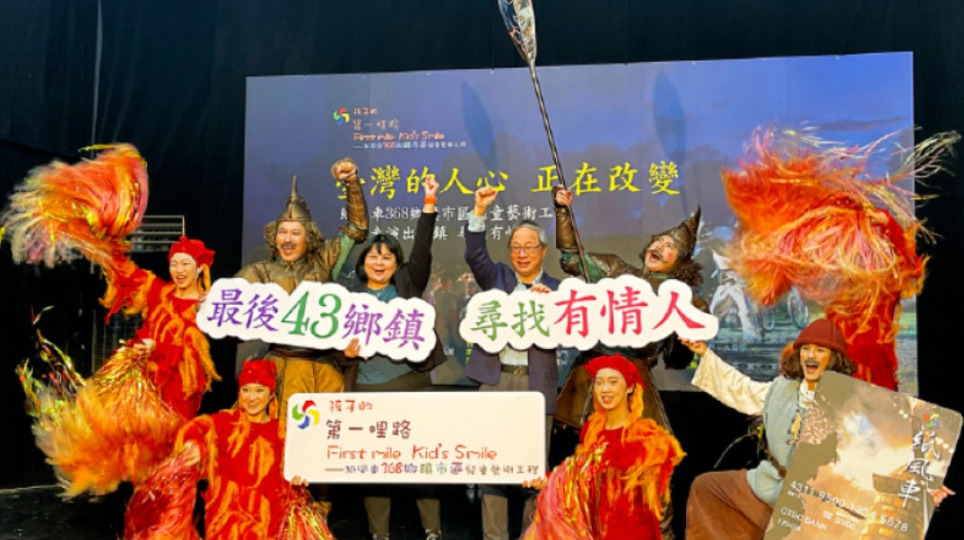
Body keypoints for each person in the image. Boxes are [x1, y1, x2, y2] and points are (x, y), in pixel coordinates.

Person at [679, 317, 954, 539]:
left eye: (820, 350)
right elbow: (741, 390)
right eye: (806, 349)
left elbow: (879, 450)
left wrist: (925, 482)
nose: (811, 355)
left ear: (832, 358)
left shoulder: (848, 401)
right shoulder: (781, 389)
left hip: (817, 499)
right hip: (770, 482)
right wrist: (705, 354)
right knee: (708, 488)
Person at [552, 186, 704, 538]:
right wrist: (562, 211)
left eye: (670, 246)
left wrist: (689, 332)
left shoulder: (681, 299)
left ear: (681, 262)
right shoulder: (616, 270)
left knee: (650, 468)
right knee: (588, 466)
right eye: (659, 240)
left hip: (636, 384)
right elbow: (571, 258)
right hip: (591, 379)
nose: (660, 247)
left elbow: (679, 359)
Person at [125, 359, 335, 540]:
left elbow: (291, 475)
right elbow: (197, 429)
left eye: (259, 390)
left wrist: (297, 481)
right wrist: (195, 446)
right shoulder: (225, 423)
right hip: (225, 523)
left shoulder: (282, 432)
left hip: (268, 524)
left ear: (271, 395)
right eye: (246, 390)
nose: (251, 397)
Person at [342, 175, 446, 540]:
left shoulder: (406, 286)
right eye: (373, 255)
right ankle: (379, 533)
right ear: (363, 262)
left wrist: (429, 204)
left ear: (396, 263)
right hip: (367, 390)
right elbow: (335, 346)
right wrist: (345, 352)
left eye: (387, 256)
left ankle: (432, 529)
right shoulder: (349, 298)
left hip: (412, 385)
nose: (380, 261)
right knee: (374, 464)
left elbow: (422, 250)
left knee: (422, 458)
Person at [463, 186, 561, 540]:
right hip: (496, 381)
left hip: (536, 385)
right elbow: (475, 255)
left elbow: (569, 333)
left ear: (543, 250)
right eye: (515, 247)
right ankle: (494, 536)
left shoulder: (557, 290)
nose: (521, 253)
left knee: (533, 468)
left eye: (529, 247)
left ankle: (531, 535)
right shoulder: (499, 279)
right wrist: (479, 210)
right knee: (492, 463)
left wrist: (551, 307)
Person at [236, 157, 368, 416]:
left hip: (321, 369)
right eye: (282, 232)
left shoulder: (324, 260)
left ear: (309, 238)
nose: (287, 239)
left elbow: (357, 229)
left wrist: (352, 182)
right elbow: (225, 305)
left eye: (295, 233)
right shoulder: (259, 272)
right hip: (277, 367)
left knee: (327, 430)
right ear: (274, 236)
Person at [521, 354, 684, 540]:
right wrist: (548, 481)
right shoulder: (593, 431)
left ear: (629, 387)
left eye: (613, 382)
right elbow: (580, 477)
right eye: (599, 383)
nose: (605, 389)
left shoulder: (647, 438)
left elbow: (661, 505)